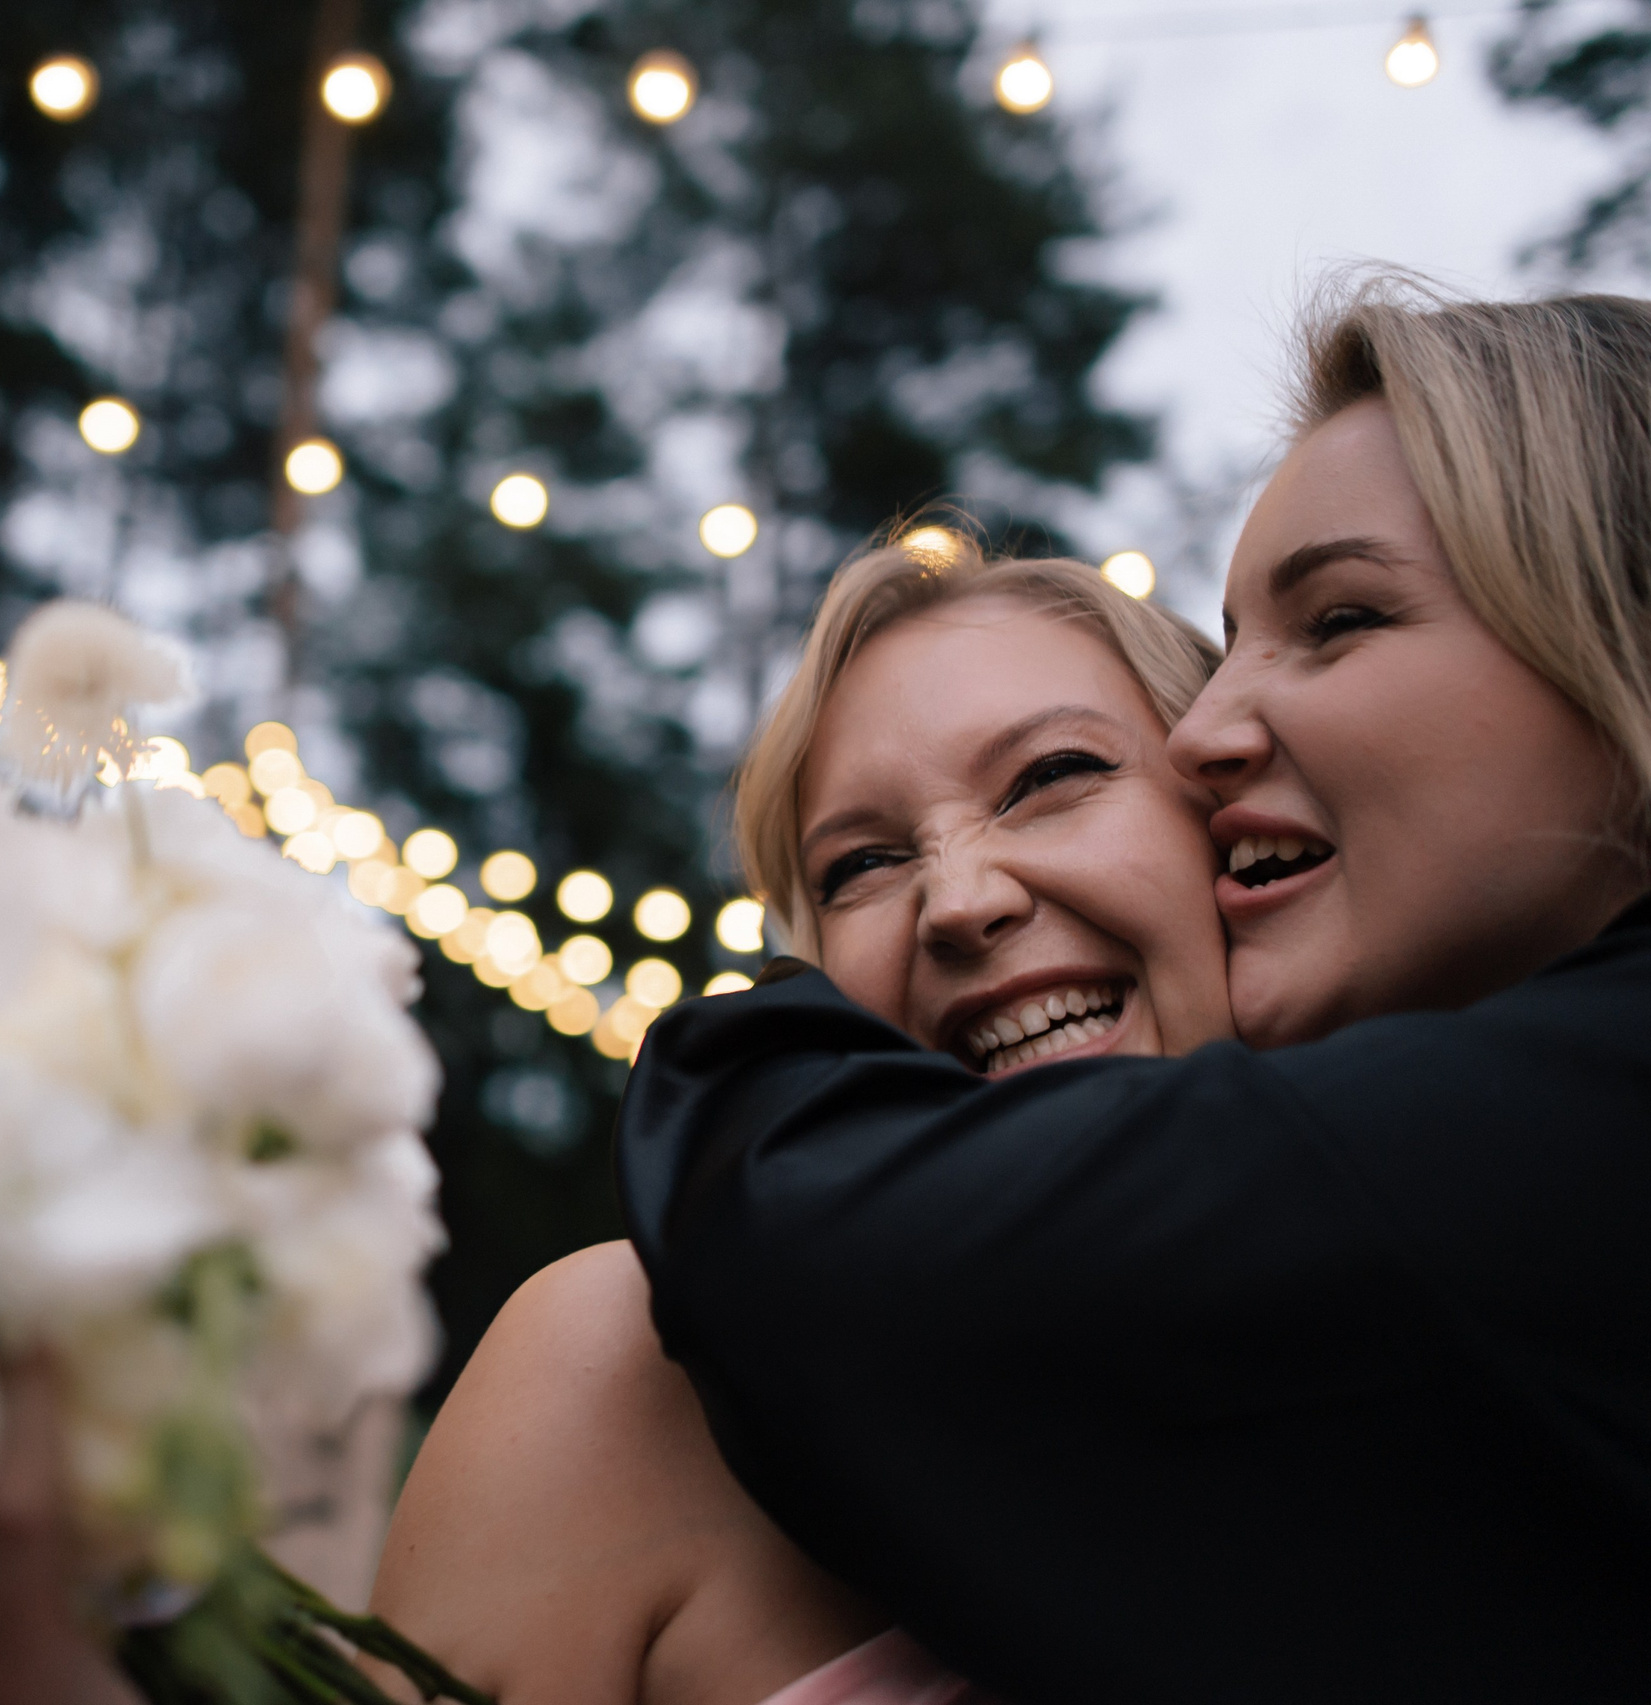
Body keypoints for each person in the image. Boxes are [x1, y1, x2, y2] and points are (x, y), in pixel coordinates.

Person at [621, 283, 1651, 1704]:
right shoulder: (612, 1379)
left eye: (1341, 618)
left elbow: (810, 1235)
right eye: (861, 863)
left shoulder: (1551, 1150)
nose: (1218, 735)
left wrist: (733, 1081)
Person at [368, 542, 1228, 1705]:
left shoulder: (1489, 1309)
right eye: (863, 863)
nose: (961, 899)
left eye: (1048, 776)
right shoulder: (619, 1367)